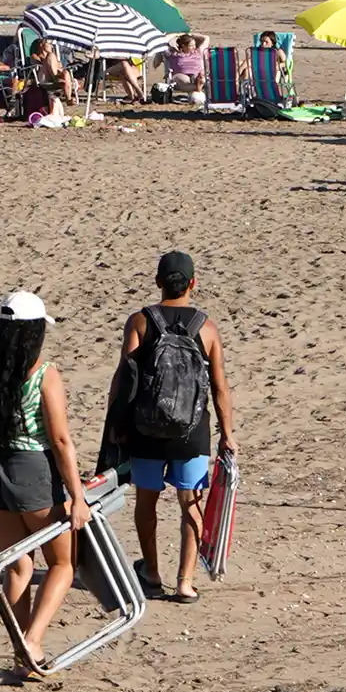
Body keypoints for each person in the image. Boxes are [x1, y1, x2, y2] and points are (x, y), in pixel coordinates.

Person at [0, 291, 89, 674]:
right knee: (62, 562)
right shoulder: (43, 374)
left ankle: (21, 658)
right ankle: (33, 641)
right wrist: (77, 496)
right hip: (31, 472)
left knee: (17, 567)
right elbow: (60, 440)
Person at [107, 252, 235, 605]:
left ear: (158, 282)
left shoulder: (140, 321)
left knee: (146, 502)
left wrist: (116, 425)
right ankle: (185, 582)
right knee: (190, 502)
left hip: (146, 429)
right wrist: (227, 434)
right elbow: (220, 386)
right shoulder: (206, 328)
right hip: (191, 432)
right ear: (193, 283)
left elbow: (125, 377)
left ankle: (151, 572)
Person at [30, 38, 77, 104]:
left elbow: (60, 67)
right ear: (41, 45)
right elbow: (37, 63)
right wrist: (48, 58)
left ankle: (68, 99)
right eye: (49, 44)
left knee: (66, 73)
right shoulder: (35, 56)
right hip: (44, 78)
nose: (51, 46)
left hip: (56, 78)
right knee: (51, 55)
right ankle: (55, 78)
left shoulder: (54, 57)